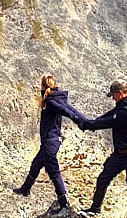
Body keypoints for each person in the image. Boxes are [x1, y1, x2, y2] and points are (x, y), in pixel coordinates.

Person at [77, 79, 127, 218]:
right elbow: (107, 116)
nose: (112, 98)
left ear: (121, 93)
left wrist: (88, 125)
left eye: (114, 95)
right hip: (120, 154)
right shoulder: (122, 107)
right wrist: (89, 122)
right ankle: (94, 210)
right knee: (103, 178)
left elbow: (107, 122)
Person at [12, 75, 85, 210]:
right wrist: (83, 119)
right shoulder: (51, 100)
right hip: (49, 141)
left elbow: (67, 111)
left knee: (53, 170)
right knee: (36, 164)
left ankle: (63, 200)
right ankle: (25, 189)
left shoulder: (51, 102)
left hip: (50, 142)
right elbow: (70, 109)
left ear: (44, 86)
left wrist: (81, 121)